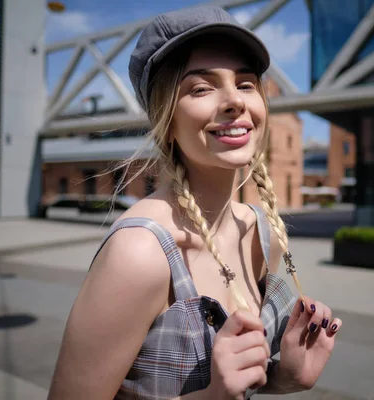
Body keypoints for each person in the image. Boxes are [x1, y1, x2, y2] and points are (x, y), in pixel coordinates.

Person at [48, 5, 342, 399]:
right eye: (201, 88)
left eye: (245, 84)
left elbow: (237, 384)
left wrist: (280, 378)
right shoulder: (139, 253)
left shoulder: (261, 233)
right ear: (165, 121)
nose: (234, 101)